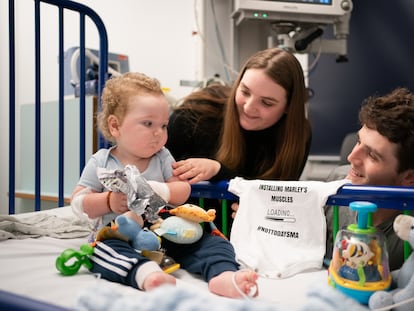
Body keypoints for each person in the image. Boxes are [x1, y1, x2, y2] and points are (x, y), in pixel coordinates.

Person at [71, 72, 258, 297]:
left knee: (209, 241)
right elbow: (78, 202)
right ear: (115, 126)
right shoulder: (101, 161)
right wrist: (108, 201)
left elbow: (183, 190)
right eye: (148, 124)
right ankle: (146, 274)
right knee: (100, 251)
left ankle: (224, 275)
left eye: (164, 125)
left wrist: (158, 189)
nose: (159, 133)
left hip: (163, 231)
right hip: (118, 234)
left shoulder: (162, 157)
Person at [168, 47, 312, 185]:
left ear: (289, 107)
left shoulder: (297, 135)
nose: (249, 107)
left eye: (266, 103)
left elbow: (279, 198)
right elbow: (153, 176)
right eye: (245, 92)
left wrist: (218, 171)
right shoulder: (198, 111)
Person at [325, 87, 414, 271]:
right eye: (358, 142)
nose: (351, 157)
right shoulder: (334, 185)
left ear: (409, 177)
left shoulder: (409, 233)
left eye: (372, 155)